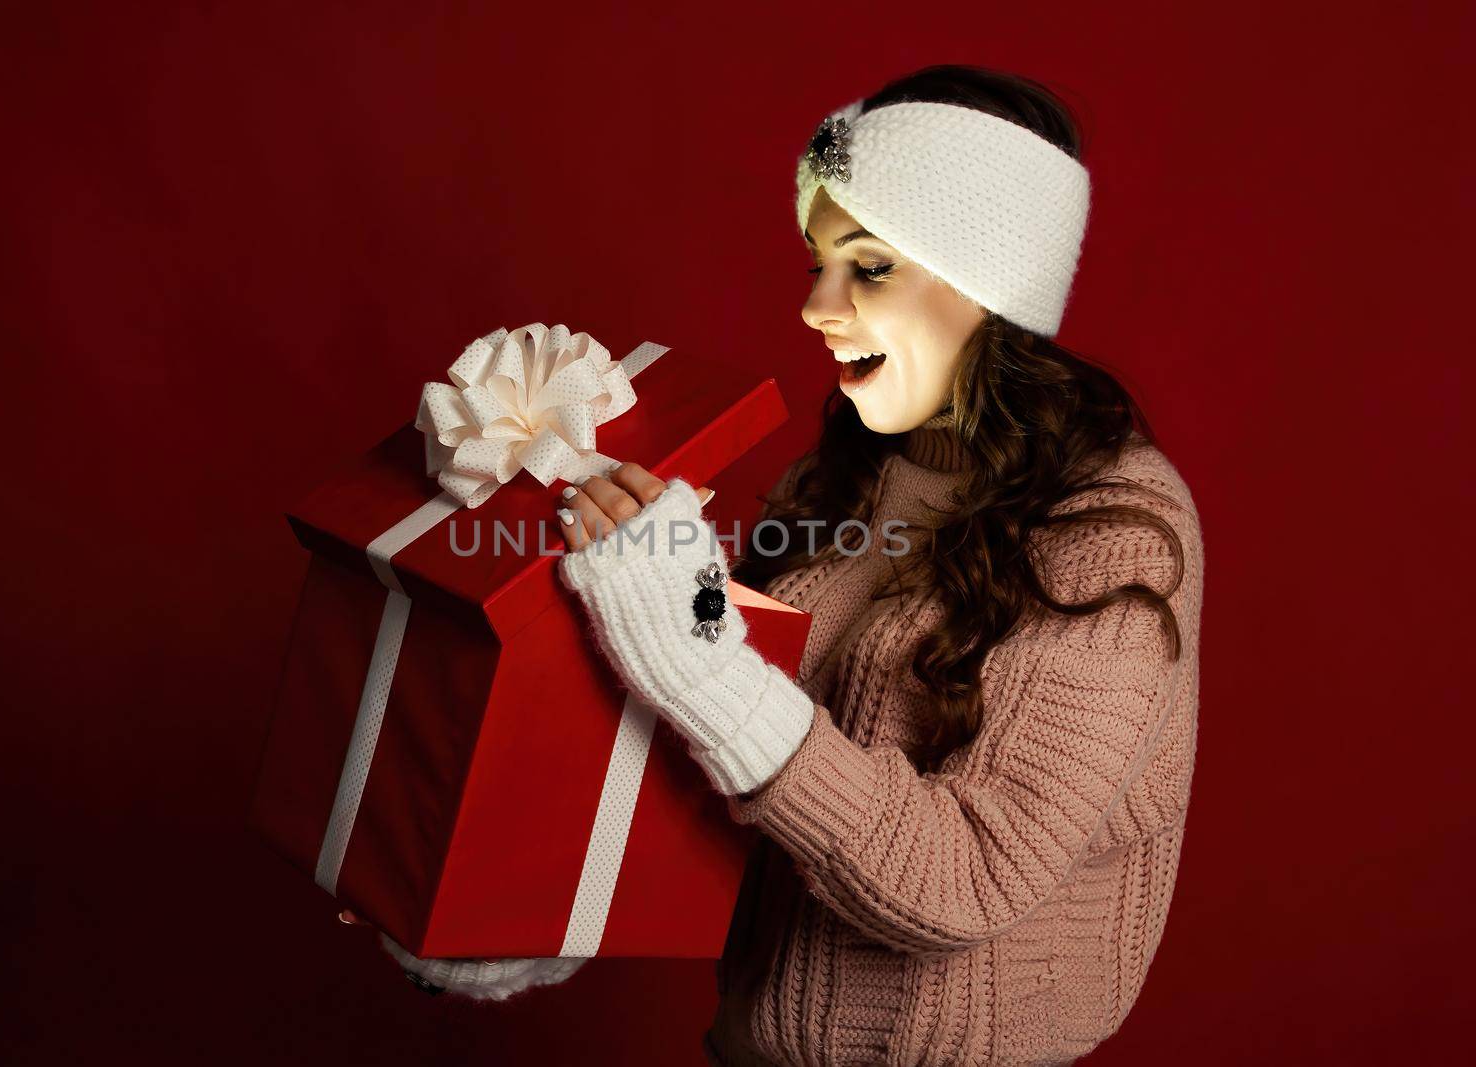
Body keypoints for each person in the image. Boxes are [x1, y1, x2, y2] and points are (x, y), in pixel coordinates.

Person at [377, 63, 1204, 1065]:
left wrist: (698, 659)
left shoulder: (1114, 530)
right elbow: (745, 775)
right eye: (817, 262)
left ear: (990, 282)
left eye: (867, 266)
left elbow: (967, 880)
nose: (817, 305)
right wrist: (532, 911)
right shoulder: (842, 477)